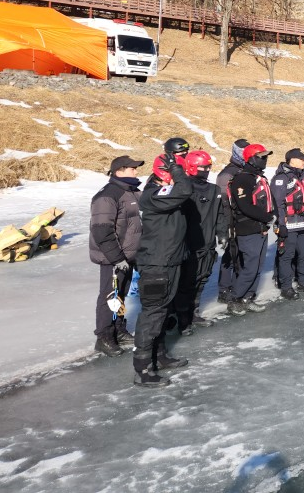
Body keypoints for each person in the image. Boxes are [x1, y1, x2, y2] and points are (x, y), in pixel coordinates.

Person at [132, 147, 193, 388]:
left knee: (163, 312)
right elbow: (184, 189)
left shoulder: (161, 191)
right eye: (178, 172)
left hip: (170, 261)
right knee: (152, 315)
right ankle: (142, 369)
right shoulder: (153, 193)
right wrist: (176, 169)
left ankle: (159, 356)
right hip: (157, 264)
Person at [88, 155, 145, 357]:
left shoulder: (133, 192)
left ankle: (118, 330)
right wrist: (117, 258)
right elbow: (102, 231)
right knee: (109, 296)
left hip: (130, 255)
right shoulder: (107, 196)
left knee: (121, 294)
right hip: (113, 258)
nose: (136, 172)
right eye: (132, 169)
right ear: (119, 171)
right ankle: (103, 337)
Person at [173, 150, 228, 334]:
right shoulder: (184, 189)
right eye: (202, 167)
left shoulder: (214, 190)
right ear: (191, 167)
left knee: (202, 279)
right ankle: (182, 318)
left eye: (208, 167)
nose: (205, 170)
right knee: (186, 282)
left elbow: (220, 214)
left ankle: (194, 311)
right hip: (188, 244)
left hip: (208, 242)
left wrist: (222, 233)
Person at [226, 143, 275, 315]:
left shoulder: (258, 177)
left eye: (266, 156)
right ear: (252, 158)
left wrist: (271, 216)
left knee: (258, 266)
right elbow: (245, 206)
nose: (265, 159)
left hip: (260, 227)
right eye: (262, 156)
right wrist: (268, 217)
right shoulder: (243, 178)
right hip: (248, 228)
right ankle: (235, 299)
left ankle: (247, 297)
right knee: (250, 266)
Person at [270, 148, 304, 300]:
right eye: (301, 159)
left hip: (302, 222)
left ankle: (303, 281)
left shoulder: (303, 176)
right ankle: (286, 287)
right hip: (288, 224)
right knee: (287, 256)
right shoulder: (281, 178)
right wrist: (281, 224)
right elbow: (278, 203)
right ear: (291, 160)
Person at [215, 138, 248, 302]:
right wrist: (227, 224)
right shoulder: (227, 174)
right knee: (230, 254)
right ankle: (224, 288)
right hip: (230, 220)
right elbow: (222, 203)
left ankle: (238, 283)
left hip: (243, 219)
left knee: (241, 253)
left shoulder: (245, 170)